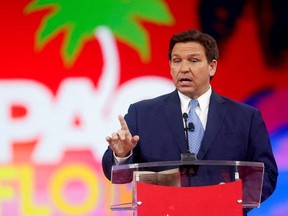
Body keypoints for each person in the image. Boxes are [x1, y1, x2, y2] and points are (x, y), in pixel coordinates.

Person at [102, 29, 278, 212]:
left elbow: (267, 174)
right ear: (170, 66)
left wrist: (230, 198)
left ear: (212, 66)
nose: (184, 68)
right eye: (177, 61)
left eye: (193, 61)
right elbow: (115, 174)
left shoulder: (245, 118)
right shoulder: (142, 113)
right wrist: (122, 156)